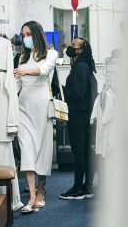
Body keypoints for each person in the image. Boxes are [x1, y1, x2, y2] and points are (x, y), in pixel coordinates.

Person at [14, 21, 58, 213]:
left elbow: (44, 70)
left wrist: (24, 70)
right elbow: (17, 84)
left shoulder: (51, 54)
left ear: (38, 34)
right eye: (24, 34)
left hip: (42, 106)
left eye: (29, 33)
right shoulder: (22, 56)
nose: (26, 38)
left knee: (42, 150)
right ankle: (31, 197)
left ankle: (41, 191)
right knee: (27, 151)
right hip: (23, 107)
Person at [59, 38, 98, 200]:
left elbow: (78, 93)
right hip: (86, 115)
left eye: (73, 45)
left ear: (80, 50)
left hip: (78, 115)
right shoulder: (86, 65)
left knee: (79, 153)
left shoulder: (81, 67)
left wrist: (63, 90)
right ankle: (87, 187)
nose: (69, 47)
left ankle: (77, 189)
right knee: (87, 153)